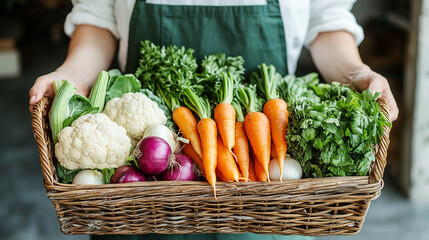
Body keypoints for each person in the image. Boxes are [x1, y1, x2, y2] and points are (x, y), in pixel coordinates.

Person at [28, 0, 399, 239]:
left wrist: (355, 74)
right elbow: (98, 20)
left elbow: (327, 21)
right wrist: (71, 78)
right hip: (147, 187)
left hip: (265, 193)